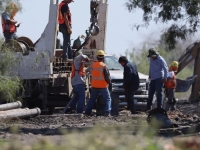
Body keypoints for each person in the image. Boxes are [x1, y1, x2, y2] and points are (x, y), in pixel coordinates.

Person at [85, 50, 112, 116]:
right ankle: (107, 112)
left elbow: (86, 70)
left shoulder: (93, 65)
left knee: (92, 100)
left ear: (97, 57)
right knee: (108, 99)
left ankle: (87, 113)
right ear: (103, 58)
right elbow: (107, 77)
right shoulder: (104, 66)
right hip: (103, 86)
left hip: (94, 86)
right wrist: (110, 83)